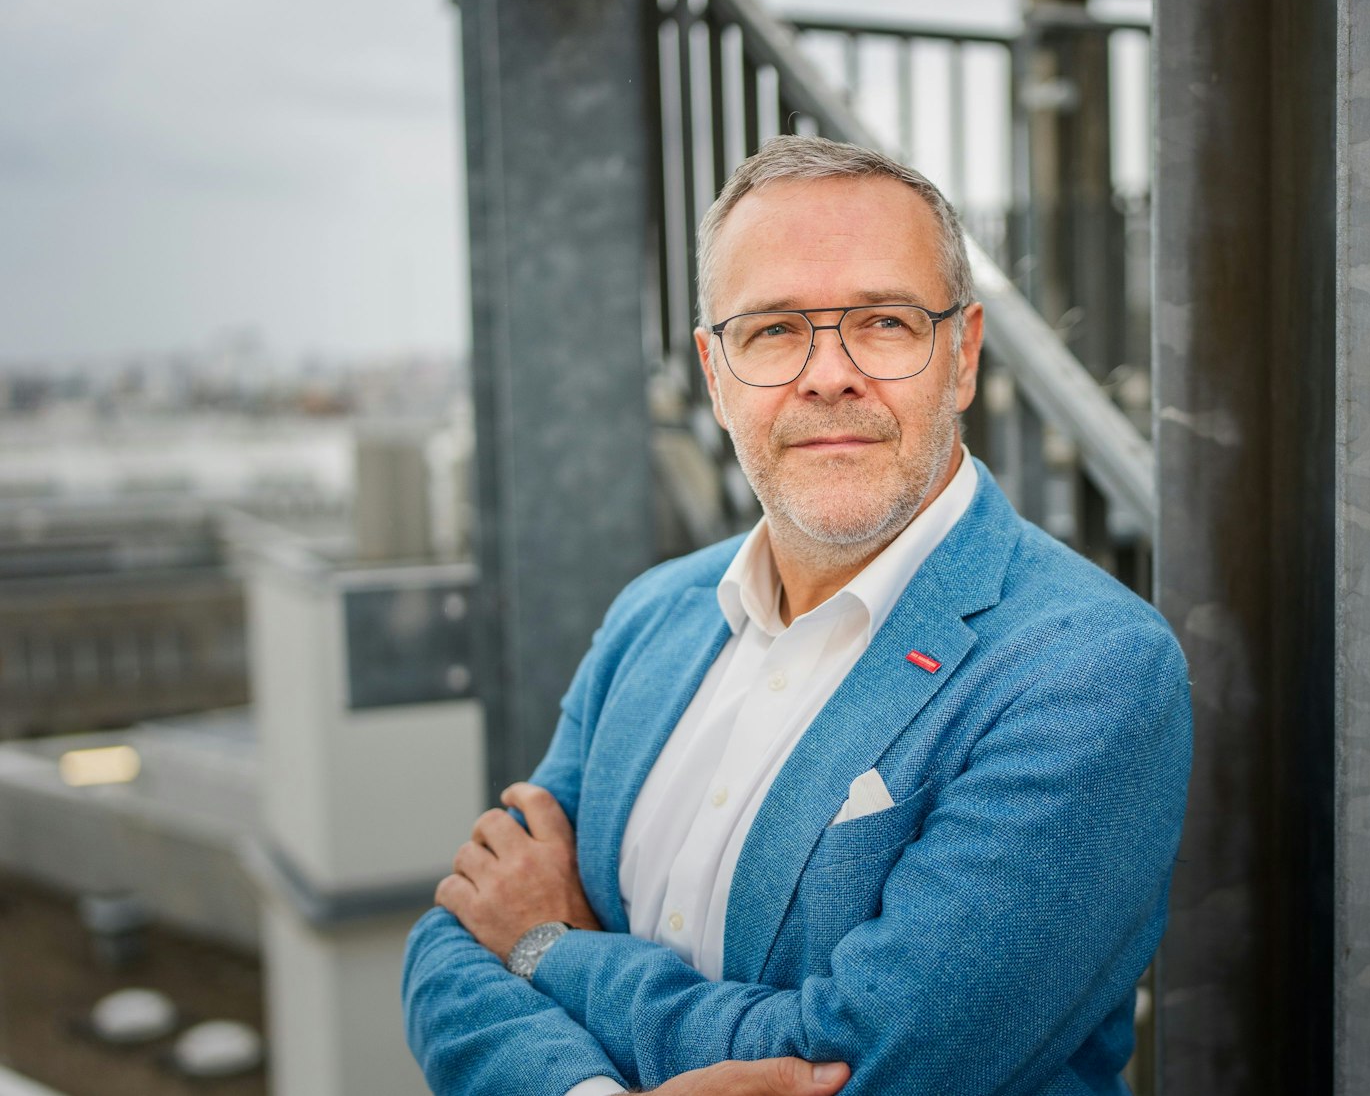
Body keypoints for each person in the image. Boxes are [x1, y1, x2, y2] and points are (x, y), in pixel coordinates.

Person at [401, 134, 1192, 1096]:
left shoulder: (1089, 668)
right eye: (773, 329)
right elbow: (453, 937)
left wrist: (548, 948)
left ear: (963, 355)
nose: (829, 374)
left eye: (886, 322)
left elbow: (864, 1061)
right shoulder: (652, 615)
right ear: (714, 373)